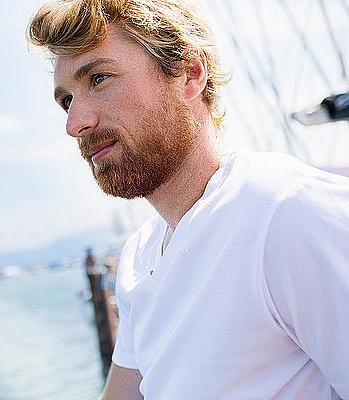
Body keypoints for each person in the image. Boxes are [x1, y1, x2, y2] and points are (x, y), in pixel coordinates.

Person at [26, 1, 349, 399]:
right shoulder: (139, 257)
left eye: (99, 78)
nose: (75, 124)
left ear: (190, 73)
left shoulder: (289, 214)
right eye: (66, 101)